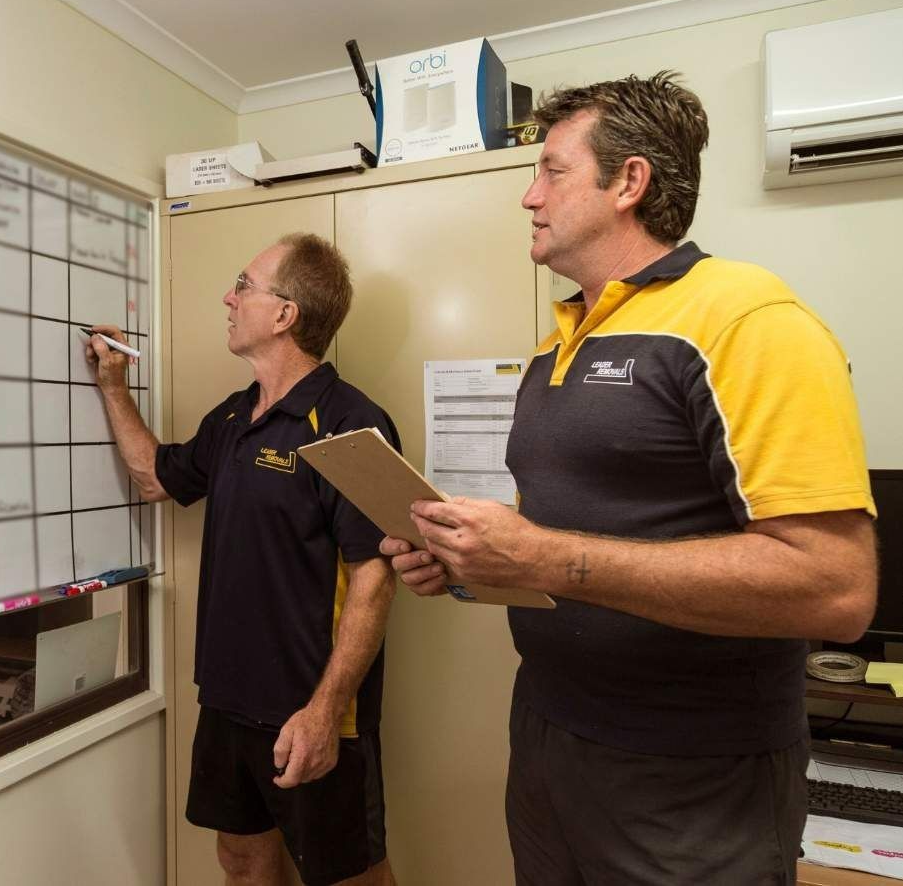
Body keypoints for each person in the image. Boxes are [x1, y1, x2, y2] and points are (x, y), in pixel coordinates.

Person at [381, 72, 878, 884]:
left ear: (629, 181)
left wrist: (543, 557)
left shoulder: (746, 317)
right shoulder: (558, 342)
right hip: (546, 737)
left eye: (550, 170)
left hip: (691, 773)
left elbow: (834, 585)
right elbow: (571, 526)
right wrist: (469, 561)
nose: (527, 196)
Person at [86, 233, 400, 886]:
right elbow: (154, 476)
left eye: (244, 285)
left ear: (285, 314)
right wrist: (112, 384)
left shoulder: (349, 422)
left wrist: (321, 712)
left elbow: (374, 579)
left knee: (348, 875)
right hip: (228, 701)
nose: (228, 297)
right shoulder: (231, 418)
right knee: (242, 858)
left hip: (312, 712)